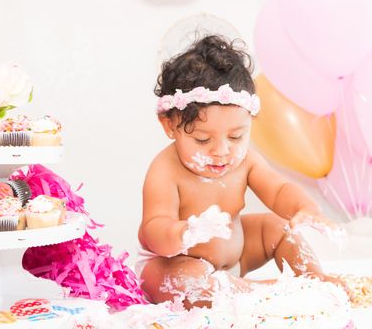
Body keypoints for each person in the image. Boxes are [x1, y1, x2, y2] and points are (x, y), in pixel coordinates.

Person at [137, 35, 348, 308]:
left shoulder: (245, 161)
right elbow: (153, 230)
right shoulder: (165, 171)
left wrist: (304, 207)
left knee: (277, 227)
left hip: (237, 258)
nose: (222, 151)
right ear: (169, 125)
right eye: (203, 140)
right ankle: (262, 292)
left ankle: (312, 277)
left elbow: (278, 189)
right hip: (178, 265)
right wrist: (184, 233)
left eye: (236, 136)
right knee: (186, 278)